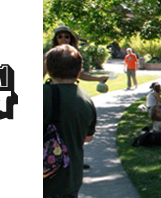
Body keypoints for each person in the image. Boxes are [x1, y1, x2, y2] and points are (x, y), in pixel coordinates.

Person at [43, 45, 98, 198]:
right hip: (71, 179)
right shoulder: (86, 100)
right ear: (79, 70)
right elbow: (88, 137)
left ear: (49, 68)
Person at [44, 25, 109, 83]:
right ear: (56, 39)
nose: (63, 39)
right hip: (54, 90)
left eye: (66, 37)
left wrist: (99, 79)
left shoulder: (74, 55)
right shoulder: (49, 56)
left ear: (70, 39)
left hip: (70, 89)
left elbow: (81, 74)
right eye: (60, 37)